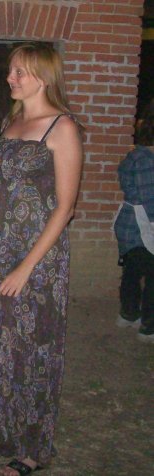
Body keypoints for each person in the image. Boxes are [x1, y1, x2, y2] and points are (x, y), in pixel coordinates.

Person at [0, 43, 84, 475]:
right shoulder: (13, 122)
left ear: (42, 77)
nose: (11, 78)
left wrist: (26, 267)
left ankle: (30, 450)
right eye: (10, 71)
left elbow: (65, 207)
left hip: (38, 256)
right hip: (0, 248)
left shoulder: (61, 128)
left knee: (30, 347)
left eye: (19, 72)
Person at [113, 99, 154, 343]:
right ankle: (148, 326)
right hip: (142, 227)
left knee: (132, 271)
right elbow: (150, 201)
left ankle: (128, 314)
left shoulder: (136, 156)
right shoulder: (147, 162)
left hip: (130, 226)